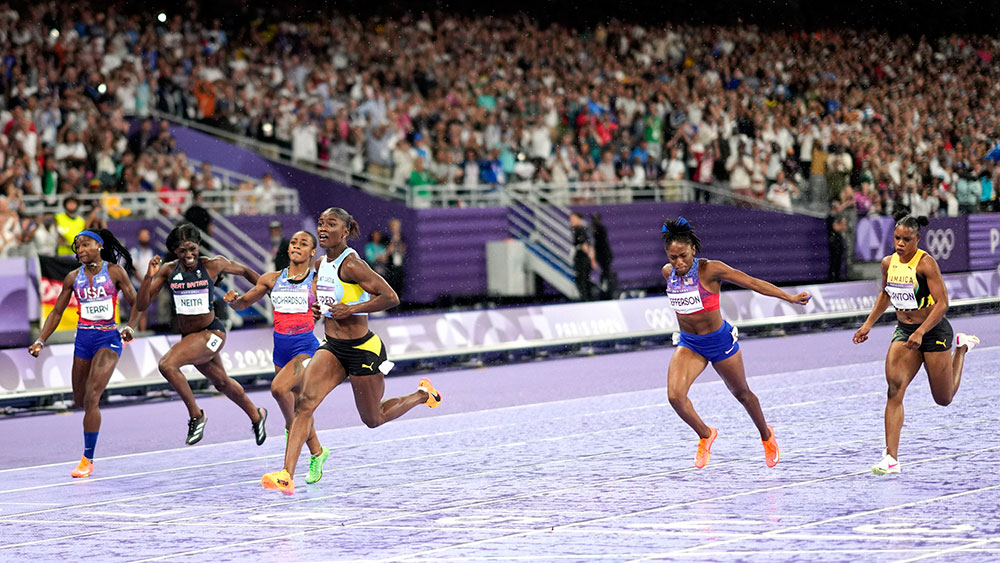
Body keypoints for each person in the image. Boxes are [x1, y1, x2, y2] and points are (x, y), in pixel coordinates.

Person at [260, 208, 441, 495]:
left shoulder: (353, 264)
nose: (322, 228)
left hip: (362, 350)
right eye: (320, 223)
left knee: (373, 419)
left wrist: (352, 309)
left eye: (331, 224)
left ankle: (422, 394)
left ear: (344, 232)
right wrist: (319, 307)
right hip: (332, 348)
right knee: (304, 404)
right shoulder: (320, 264)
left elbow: (390, 297)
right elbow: (325, 295)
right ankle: (286, 474)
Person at [661, 217, 811, 468]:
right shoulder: (668, 273)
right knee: (675, 397)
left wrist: (790, 297)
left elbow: (752, 282)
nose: (678, 262)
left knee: (742, 394)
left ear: (693, 250)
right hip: (690, 344)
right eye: (673, 257)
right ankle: (706, 435)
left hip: (719, 342)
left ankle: (766, 435)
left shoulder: (711, 269)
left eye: (683, 256)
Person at [852, 213, 980, 475]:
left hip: (933, 332)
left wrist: (922, 331)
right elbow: (885, 295)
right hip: (905, 332)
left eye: (906, 239)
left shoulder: (926, 264)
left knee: (943, 399)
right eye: (897, 238)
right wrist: (868, 325)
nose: (900, 243)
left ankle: (962, 348)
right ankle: (891, 458)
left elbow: (943, 303)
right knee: (894, 388)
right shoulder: (888, 263)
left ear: (917, 240)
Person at [127, 224, 267, 446]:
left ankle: (196, 415)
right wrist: (147, 277)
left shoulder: (214, 264)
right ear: (175, 252)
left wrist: (261, 293)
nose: (189, 255)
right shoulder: (168, 270)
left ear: (199, 246)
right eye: (182, 251)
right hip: (191, 338)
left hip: (213, 333)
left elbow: (247, 272)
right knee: (222, 383)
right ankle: (257, 414)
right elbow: (142, 303)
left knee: (167, 365)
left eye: (192, 249)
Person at [224, 230, 331, 485]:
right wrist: (233, 302)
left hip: (305, 349)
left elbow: (333, 306)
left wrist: (324, 310)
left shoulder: (317, 281)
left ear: (312, 252)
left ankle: (289, 437)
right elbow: (244, 303)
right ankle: (317, 452)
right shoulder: (271, 279)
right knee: (298, 408)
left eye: (303, 244)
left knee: (278, 390)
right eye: (294, 242)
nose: (297, 246)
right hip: (280, 351)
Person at [28, 229, 138, 478]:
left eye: (85, 245)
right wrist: (41, 340)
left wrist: (130, 326)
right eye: (77, 247)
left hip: (108, 339)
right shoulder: (71, 277)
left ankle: (87, 459)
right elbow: (56, 312)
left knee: (91, 397)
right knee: (80, 399)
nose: (80, 250)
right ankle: (90, 435)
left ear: (98, 245)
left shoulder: (114, 272)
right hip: (83, 340)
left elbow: (137, 302)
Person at [130, 228, 156, 331]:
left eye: (147, 235)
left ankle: (143, 331)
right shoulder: (135, 251)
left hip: (146, 284)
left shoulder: (150, 251)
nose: (146, 237)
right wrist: (144, 281)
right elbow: (134, 269)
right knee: (138, 309)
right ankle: (135, 331)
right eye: (143, 235)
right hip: (137, 285)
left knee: (144, 310)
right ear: (138, 237)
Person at [590, 213, 616, 299]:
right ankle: (606, 291)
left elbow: (601, 244)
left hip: (604, 256)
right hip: (604, 256)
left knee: (606, 274)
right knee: (604, 274)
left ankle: (607, 292)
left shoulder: (599, 229)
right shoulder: (597, 229)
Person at [570, 212, 594, 301]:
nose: (571, 221)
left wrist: (585, 253)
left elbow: (584, 245)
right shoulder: (584, 229)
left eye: (573, 219)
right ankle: (589, 298)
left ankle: (585, 299)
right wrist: (591, 258)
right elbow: (590, 245)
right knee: (586, 279)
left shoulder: (578, 230)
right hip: (585, 259)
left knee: (581, 280)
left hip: (581, 259)